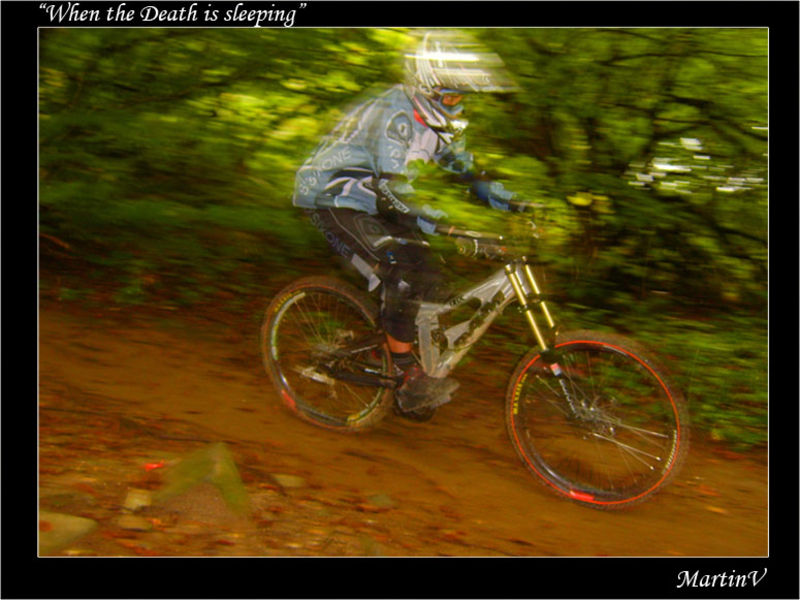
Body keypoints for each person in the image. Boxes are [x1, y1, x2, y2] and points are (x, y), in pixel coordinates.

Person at [293, 30, 524, 413]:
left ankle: (384, 350)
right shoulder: (394, 114)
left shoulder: (437, 124)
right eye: (451, 97)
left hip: (377, 201)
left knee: (430, 274)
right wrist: (448, 227)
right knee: (401, 273)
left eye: (461, 98)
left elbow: (470, 175)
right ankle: (402, 368)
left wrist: (517, 204)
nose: (456, 105)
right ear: (427, 88)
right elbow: (392, 190)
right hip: (333, 199)